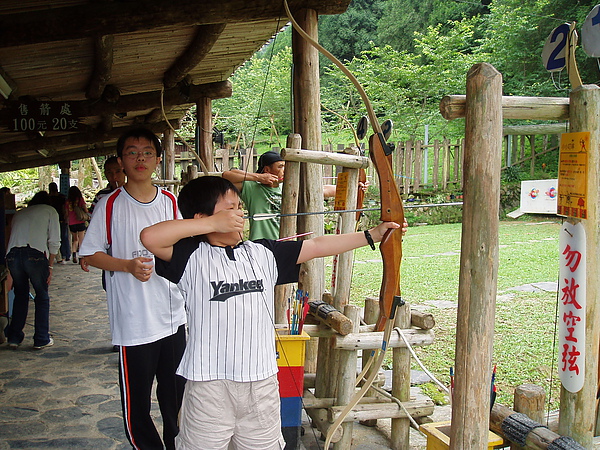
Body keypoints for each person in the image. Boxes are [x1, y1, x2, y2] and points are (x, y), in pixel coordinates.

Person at [140, 176, 402, 449]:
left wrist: (373, 235)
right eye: (229, 209)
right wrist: (209, 225)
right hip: (209, 385)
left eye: (240, 206)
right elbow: (149, 237)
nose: (240, 213)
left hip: (261, 382)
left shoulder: (262, 252)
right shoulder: (190, 255)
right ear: (201, 217)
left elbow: (316, 246)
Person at [78, 127, 186, 450]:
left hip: (173, 320)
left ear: (157, 159)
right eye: (132, 152)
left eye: (147, 152)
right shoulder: (109, 206)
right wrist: (125, 265)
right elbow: (90, 253)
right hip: (134, 324)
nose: (140, 158)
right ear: (121, 161)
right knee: (136, 409)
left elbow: (184, 247)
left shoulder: (169, 202)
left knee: (176, 403)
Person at [222, 151, 360, 240]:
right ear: (267, 169)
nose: (285, 170)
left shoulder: (290, 188)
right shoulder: (252, 187)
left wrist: (355, 187)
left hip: (287, 240)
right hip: (260, 243)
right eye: (280, 166)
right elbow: (227, 175)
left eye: (286, 166)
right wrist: (258, 177)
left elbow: (324, 189)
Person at [4, 190, 60, 350]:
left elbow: (11, 237)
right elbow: (54, 240)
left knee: (21, 295)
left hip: (13, 254)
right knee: (42, 295)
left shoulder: (20, 213)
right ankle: (41, 337)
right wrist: (50, 266)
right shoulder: (50, 211)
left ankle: (14, 336)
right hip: (35, 253)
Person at [48, 182, 71, 264]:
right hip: (62, 219)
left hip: (52, 220)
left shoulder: (48, 198)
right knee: (64, 237)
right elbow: (65, 209)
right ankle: (66, 255)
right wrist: (66, 217)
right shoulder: (62, 197)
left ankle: (58, 256)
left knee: (54, 237)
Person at [65, 186, 89, 264]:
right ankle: (81, 257)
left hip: (71, 223)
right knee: (81, 240)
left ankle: (74, 254)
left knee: (75, 240)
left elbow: (66, 213)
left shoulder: (67, 201)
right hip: (80, 222)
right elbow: (85, 209)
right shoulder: (80, 200)